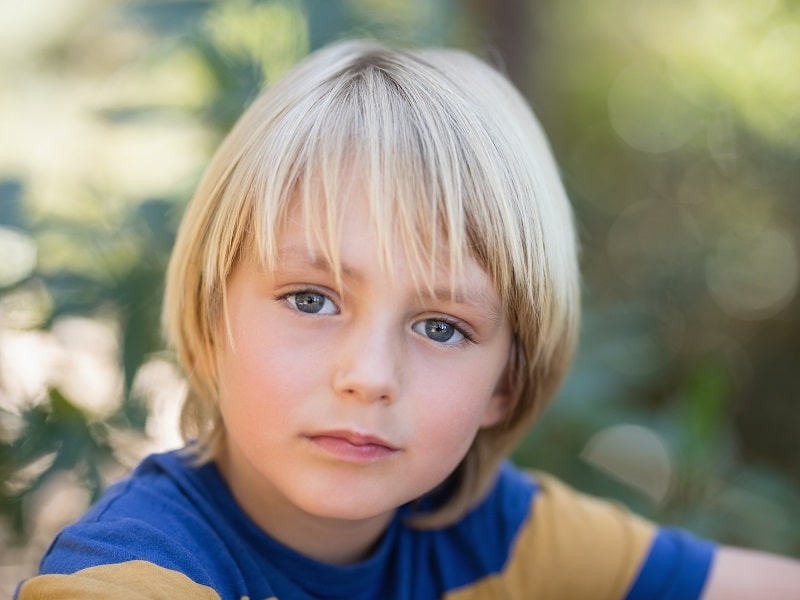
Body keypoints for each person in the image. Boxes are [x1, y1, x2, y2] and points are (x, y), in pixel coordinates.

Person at [15, 39, 800, 600]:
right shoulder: (128, 575)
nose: (368, 377)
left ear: (506, 382)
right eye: (311, 300)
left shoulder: (496, 536)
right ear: (212, 317)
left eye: (441, 327)